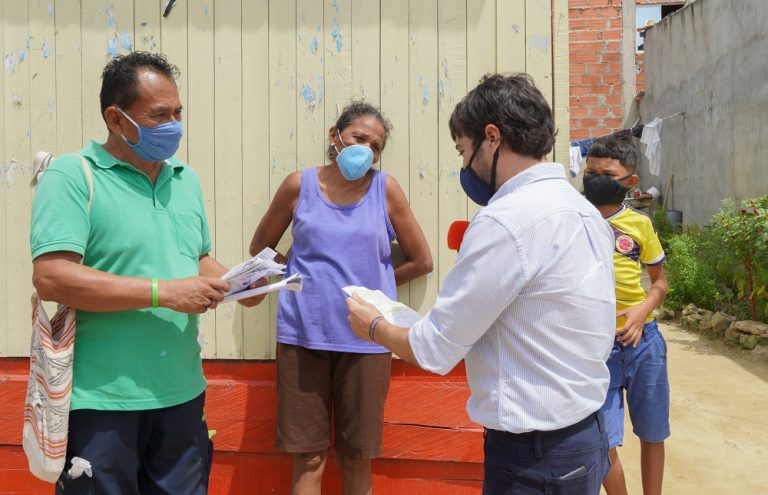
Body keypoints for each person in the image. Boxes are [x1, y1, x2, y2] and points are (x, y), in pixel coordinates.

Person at [346, 74, 616, 495]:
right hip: (586, 436)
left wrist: (375, 327)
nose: (465, 166)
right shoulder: (583, 212)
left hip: (533, 455)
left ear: (492, 137)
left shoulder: (505, 222)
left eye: (464, 151)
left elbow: (435, 349)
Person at [30, 51, 266, 494]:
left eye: (178, 112)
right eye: (159, 115)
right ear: (116, 119)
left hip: (181, 392)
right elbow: (53, 277)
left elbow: (193, 258)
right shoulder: (74, 176)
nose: (174, 124)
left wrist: (241, 283)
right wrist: (164, 293)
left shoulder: (184, 179)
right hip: (102, 401)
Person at [249, 101, 433, 495]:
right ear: (335, 137)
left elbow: (421, 261)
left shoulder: (386, 189)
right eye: (359, 138)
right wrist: (300, 279)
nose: (366, 150)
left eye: (376, 146)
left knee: (355, 456)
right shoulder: (299, 185)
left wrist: (376, 289)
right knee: (309, 456)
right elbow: (261, 248)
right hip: (303, 336)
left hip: (367, 340)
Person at [583, 134, 670, 495]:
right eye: (590, 172)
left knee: (652, 433)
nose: (595, 180)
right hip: (597, 348)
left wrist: (641, 311)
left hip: (643, 342)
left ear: (630, 183)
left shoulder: (640, 225)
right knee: (603, 440)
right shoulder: (575, 220)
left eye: (606, 174)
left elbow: (660, 282)